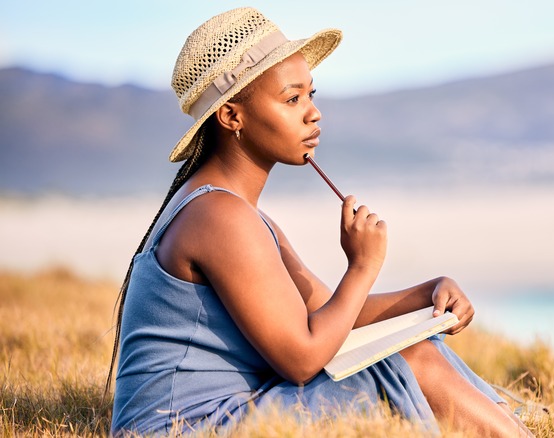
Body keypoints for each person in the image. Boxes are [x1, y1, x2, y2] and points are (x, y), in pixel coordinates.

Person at [108, 7, 532, 437]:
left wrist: (429, 295)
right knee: (409, 362)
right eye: (292, 100)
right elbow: (302, 358)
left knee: (416, 344)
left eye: (311, 95)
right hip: (189, 429)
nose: (313, 114)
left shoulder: (239, 215)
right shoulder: (220, 217)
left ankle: (510, 424)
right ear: (232, 117)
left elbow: (326, 315)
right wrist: (363, 267)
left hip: (224, 414)